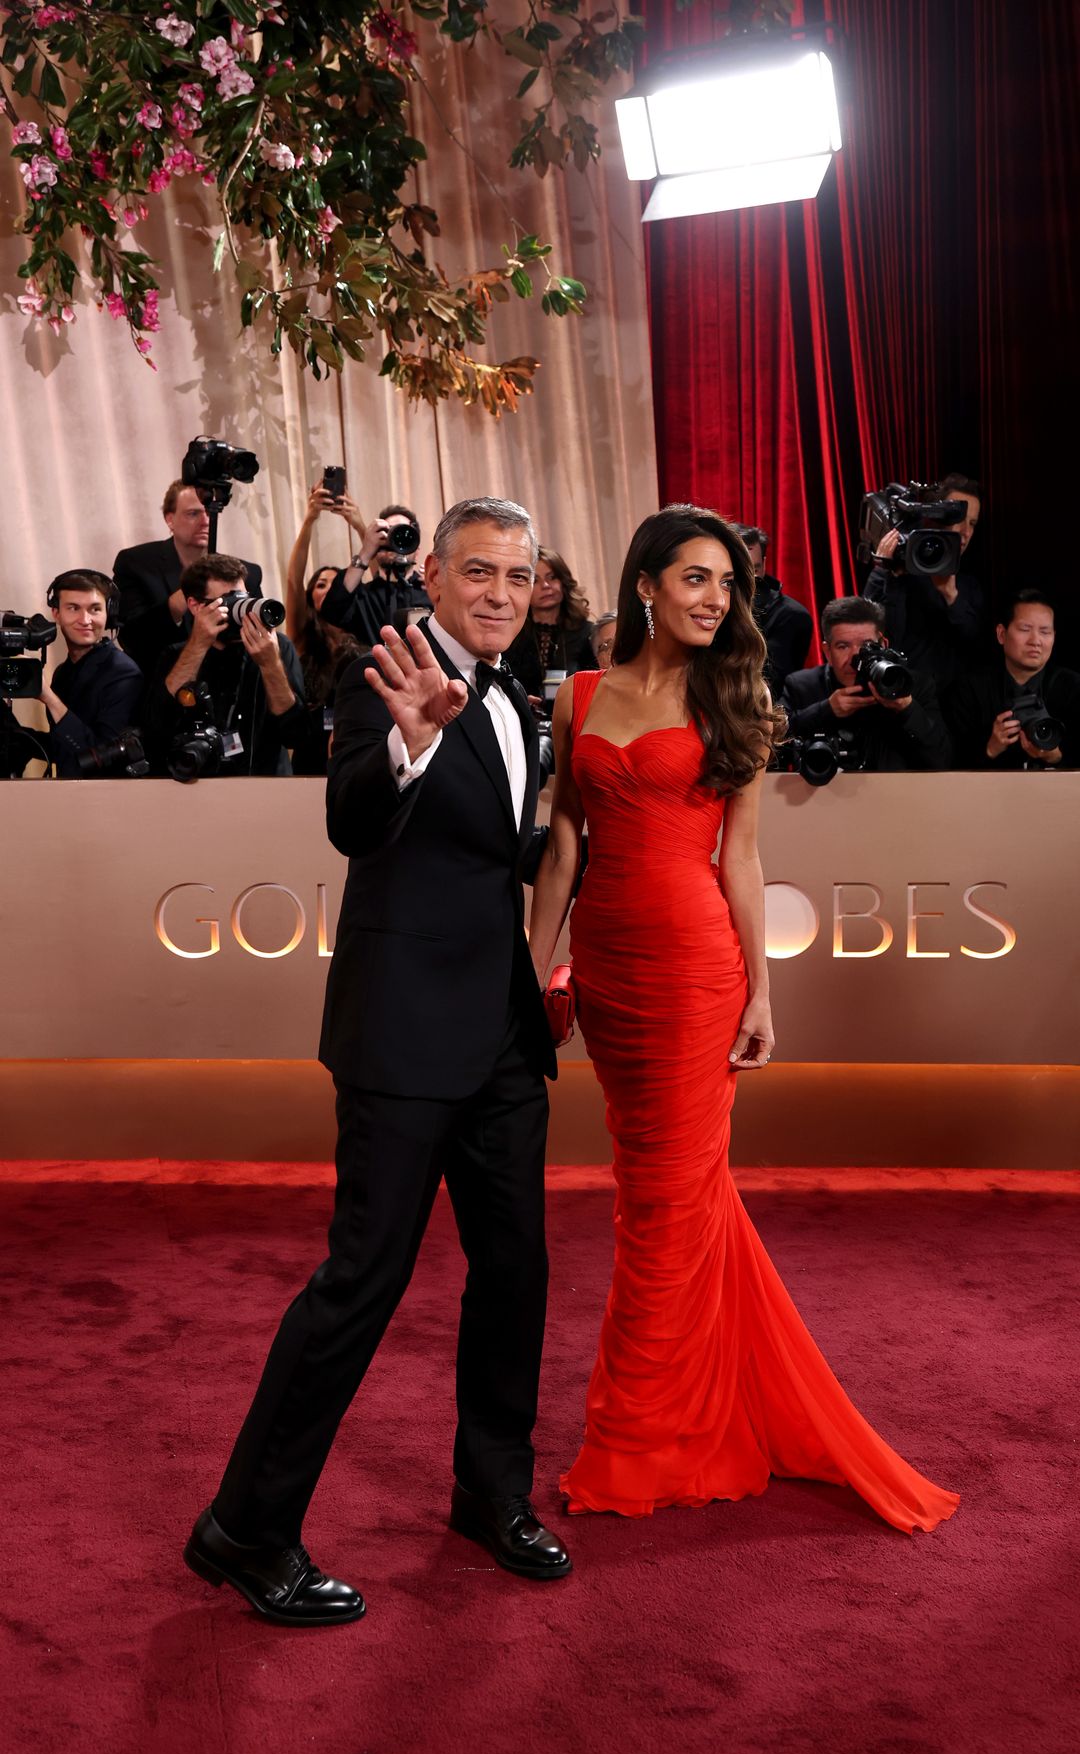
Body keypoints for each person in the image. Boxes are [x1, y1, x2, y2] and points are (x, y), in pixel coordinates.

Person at [527, 503, 959, 1533]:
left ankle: (638, 1442)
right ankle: (711, 1405)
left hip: (694, 972)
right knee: (665, 1192)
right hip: (610, 972)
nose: (717, 599)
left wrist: (761, 988)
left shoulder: (739, 697)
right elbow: (565, 844)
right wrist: (530, 971)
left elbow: (744, 857)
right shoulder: (578, 697)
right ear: (645, 585)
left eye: (727, 583)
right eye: (696, 578)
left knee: (664, 1208)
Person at [184, 497, 570, 1626]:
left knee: (517, 1274)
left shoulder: (519, 695)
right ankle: (247, 1528)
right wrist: (412, 744)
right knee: (363, 1283)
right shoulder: (383, 675)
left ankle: (491, 1493)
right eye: (479, 571)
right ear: (434, 577)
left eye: (518, 575)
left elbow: (495, 848)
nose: (500, 593)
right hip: (402, 1033)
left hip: (502, 1034)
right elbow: (352, 822)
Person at [143, 554, 304, 778]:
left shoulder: (276, 647)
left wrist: (270, 665)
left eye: (243, 599)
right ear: (195, 606)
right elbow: (157, 729)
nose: (241, 611)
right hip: (196, 785)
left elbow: (295, 734)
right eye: (229, 602)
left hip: (264, 784)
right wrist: (198, 645)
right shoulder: (175, 655)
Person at [781, 596, 951, 771]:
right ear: (827, 652)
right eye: (843, 646)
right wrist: (825, 710)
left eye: (867, 646)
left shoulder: (913, 685)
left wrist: (906, 708)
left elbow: (942, 760)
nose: (856, 658)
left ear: (883, 645)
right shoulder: (802, 686)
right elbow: (773, 749)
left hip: (896, 788)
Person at [113, 480, 263, 676]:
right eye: (193, 513)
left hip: (228, 676)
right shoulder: (136, 563)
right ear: (170, 519)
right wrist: (190, 590)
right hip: (160, 679)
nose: (206, 521)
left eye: (210, 513)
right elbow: (131, 639)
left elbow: (256, 636)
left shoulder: (245, 574)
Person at [862, 472, 988, 699]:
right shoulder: (887, 575)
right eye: (957, 518)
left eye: (972, 523)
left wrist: (951, 596)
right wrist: (892, 574)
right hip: (898, 699)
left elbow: (977, 650)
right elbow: (880, 642)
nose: (966, 532)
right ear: (932, 516)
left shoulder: (969, 585)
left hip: (950, 708)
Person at [283, 483, 365, 776]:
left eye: (336, 583)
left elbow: (376, 571)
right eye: (320, 584)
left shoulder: (365, 629)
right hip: (310, 756)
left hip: (358, 750)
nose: (329, 588)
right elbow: (294, 580)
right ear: (311, 598)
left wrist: (359, 524)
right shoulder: (303, 638)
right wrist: (310, 519)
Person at [948, 589, 1080, 770]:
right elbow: (948, 761)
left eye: (1045, 632)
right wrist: (990, 749)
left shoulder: (1073, 687)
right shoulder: (970, 689)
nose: (1036, 641)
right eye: (1025, 629)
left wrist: (1056, 756)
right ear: (1001, 634)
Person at [38, 570, 143, 777]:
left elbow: (97, 756)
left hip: (107, 793)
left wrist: (49, 699)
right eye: (73, 608)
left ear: (108, 614)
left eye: (95, 609)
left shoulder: (123, 673)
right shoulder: (63, 672)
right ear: (56, 613)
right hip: (68, 791)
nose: (85, 620)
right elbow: (65, 747)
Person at [318, 503, 428, 648]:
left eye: (404, 533)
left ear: (417, 548)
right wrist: (366, 552)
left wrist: (441, 592)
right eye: (389, 532)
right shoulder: (363, 597)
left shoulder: (430, 591)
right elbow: (332, 612)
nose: (396, 540)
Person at [504, 545, 597, 711]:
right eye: (535, 580)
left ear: (563, 582)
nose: (546, 585)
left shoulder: (587, 633)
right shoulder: (509, 635)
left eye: (552, 577)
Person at [736, 523, 812, 701]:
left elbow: (769, 686)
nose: (749, 581)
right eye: (739, 571)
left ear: (764, 564)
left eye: (755, 570)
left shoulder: (790, 616)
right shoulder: (708, 608)